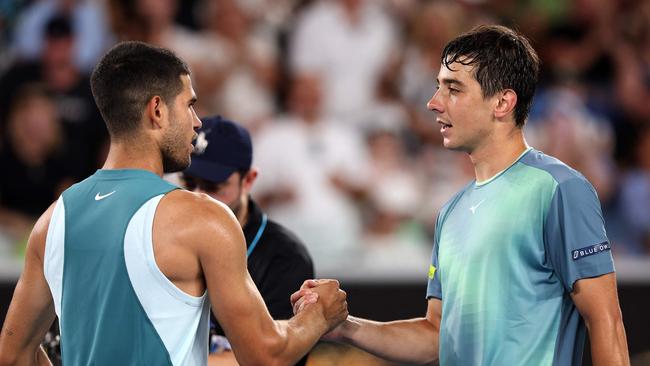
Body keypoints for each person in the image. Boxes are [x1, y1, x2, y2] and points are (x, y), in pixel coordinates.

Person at [293, 24, 630, 365]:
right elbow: (436, 335)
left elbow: (606, 321)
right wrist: (346, 327)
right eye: (438, 87)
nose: (433, 103)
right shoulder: (451, 212)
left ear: (502, 102)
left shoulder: (560, 189)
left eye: (453, 89)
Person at [0, 41, 347, 365]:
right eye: (190, 105)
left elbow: (14, 355)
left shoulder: (53, 220)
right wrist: (318, 316)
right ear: (157, 110)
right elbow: (265, 354)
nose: (197, 123)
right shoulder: (203, 218)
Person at [181, 115, 314, 366]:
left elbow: (275, 358)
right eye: (189, 183)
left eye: (213, 185)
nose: (197, 196)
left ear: (249, 180)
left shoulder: (283, 257)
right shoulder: (165, 238)